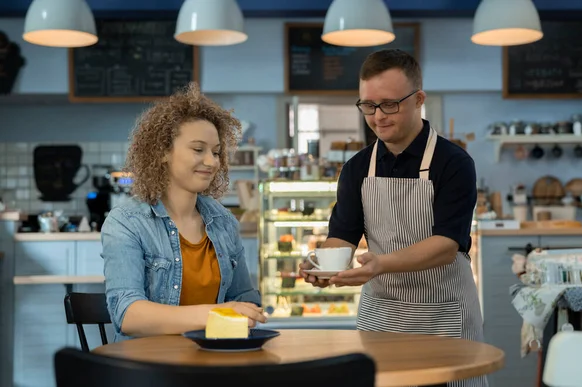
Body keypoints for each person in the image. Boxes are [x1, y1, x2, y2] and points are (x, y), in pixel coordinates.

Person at [299, 49, 486, 387]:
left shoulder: (454, 163)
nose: (377, 117)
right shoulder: (357, 167)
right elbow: (343, 233)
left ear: (419, 100)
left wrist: (380, 264)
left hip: (442, 313)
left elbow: (446, 245)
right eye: (368, 105)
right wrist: (321, 262)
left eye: (389, 104)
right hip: (382, 315)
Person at [101, 82, 265, 342]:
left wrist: (251, 311)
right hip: (149, 370)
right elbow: (128, 314)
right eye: (198, 149)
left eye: (216, 152)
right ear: (163, 152)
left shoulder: (223, 221)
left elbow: (242, 299)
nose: (212, 162)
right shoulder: (126, 222)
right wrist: (216, 313)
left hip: (213, 363)